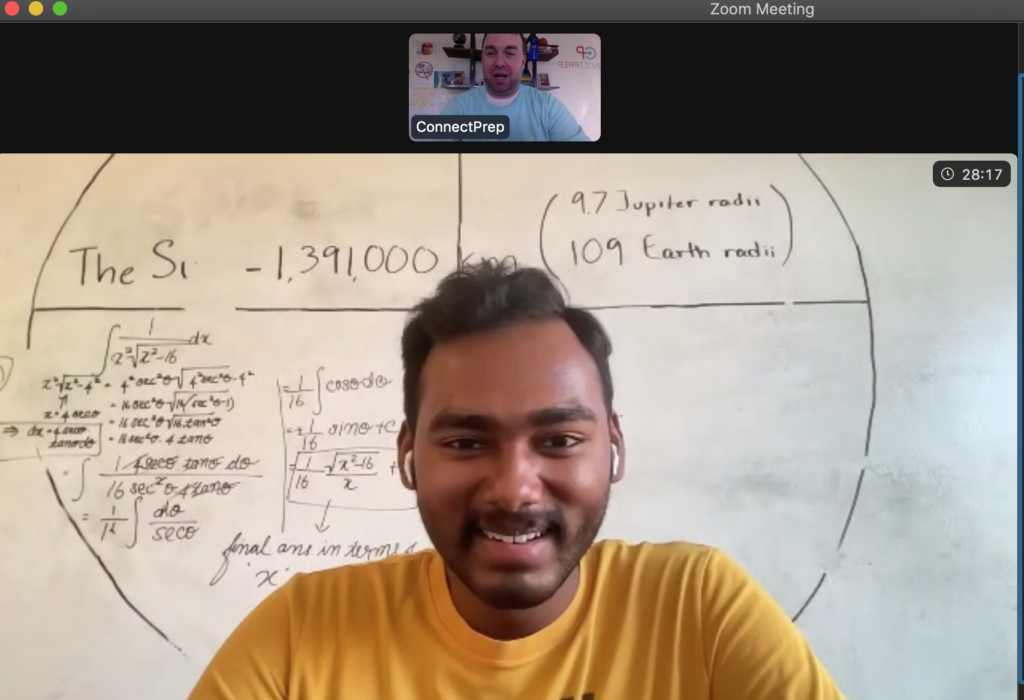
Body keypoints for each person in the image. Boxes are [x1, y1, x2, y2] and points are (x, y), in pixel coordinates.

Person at [187, 261, 848, 700]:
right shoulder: (303, 632)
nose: (514, 490)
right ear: (409, 456)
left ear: (614, 449)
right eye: (466, 443)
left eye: (558, 441)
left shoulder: (698, 609)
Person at [439, 33, 591, 142]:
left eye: (510, 53)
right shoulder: (458, 107)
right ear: (483, 60)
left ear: (523, 62)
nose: (499, 62)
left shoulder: (549, 107)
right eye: (491, 53)